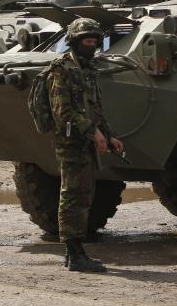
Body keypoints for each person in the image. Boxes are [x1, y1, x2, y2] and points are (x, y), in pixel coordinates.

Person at [30, 17, 124, 273]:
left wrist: (108, 134)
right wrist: (93, 132)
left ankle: (75, 253)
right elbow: (63, 112)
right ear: (74, 42)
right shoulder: (61, 69)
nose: (91, 45)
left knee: (83, 194)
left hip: (86, 139)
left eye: (94, 41)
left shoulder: (87, 69)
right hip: (71, 141)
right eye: (86, 40)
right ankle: (74, 251)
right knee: (72, 195)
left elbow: (95, 108)